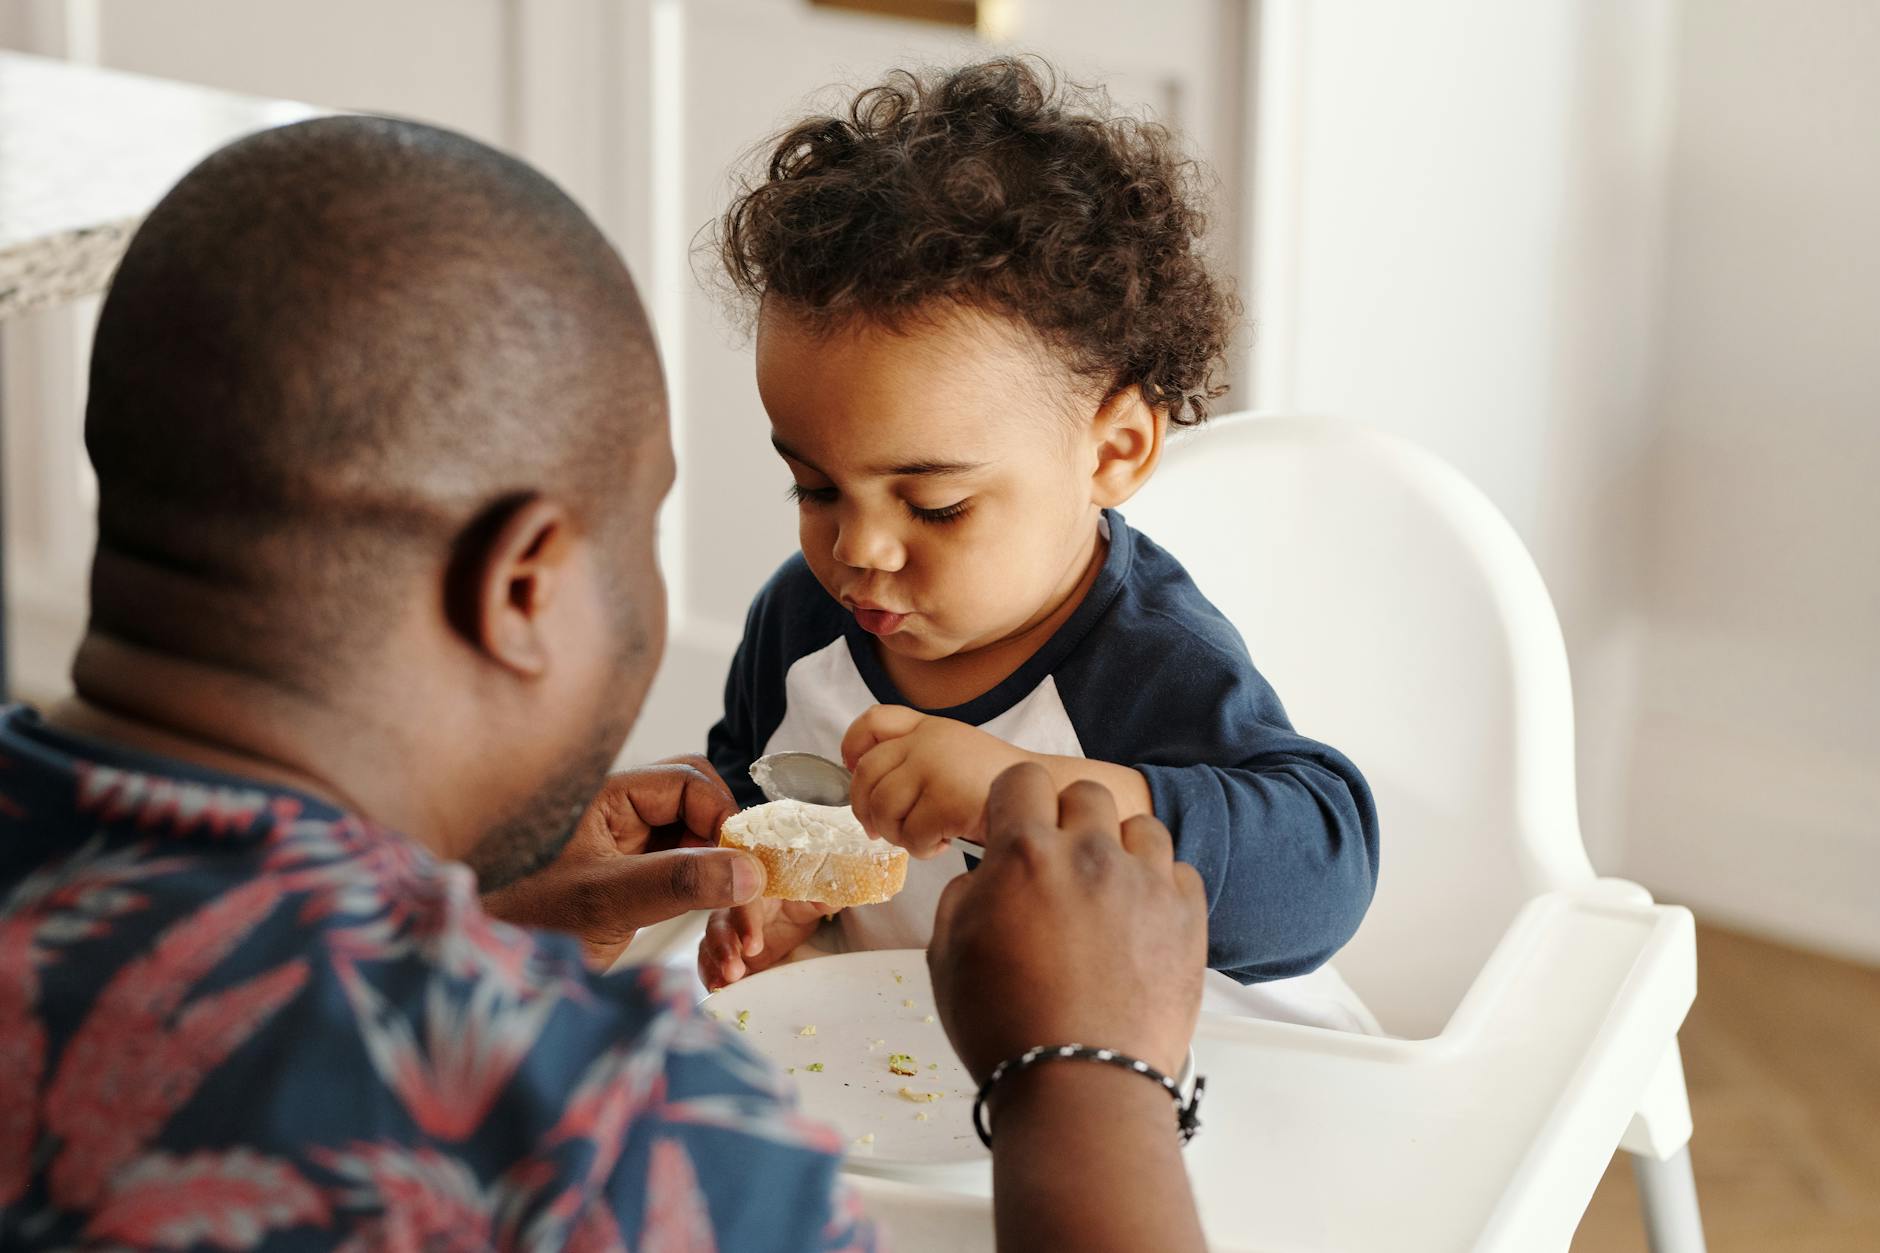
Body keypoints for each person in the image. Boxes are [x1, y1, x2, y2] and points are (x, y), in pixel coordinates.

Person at [0, 115, 1208, 1250]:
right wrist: (1082, 1079)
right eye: (645, 527)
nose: (846, 553)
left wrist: (471, 936)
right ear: (524, 584)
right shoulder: (614, 1141)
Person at [697, 59, 1382, 1028]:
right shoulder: (803, 618)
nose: (859, 548)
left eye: (933, 505)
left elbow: (1321, 872)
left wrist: (1025, 796)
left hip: (1195, 1102)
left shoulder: (1147, 661)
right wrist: (775, 901)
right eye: (813, 487)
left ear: (1112, 450)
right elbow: (758, 782)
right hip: (932, 1080)